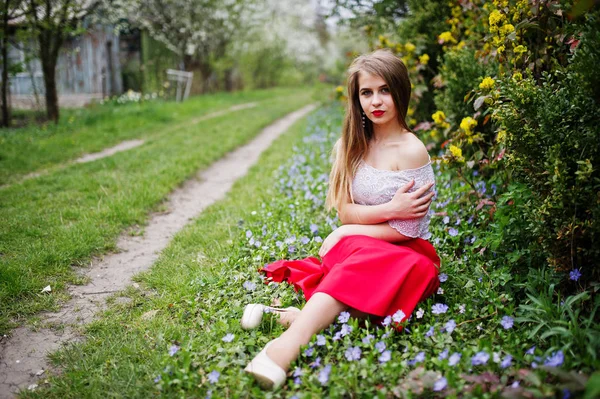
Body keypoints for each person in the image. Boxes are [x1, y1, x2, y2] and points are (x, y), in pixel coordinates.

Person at [243, 49, 441, 390]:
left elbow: (407, 228)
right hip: (357, 246)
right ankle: (289, 339)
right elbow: (345, 210)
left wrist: (353, 227)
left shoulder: (411, 150)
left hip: (407, 255)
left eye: (385, 90)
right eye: (367, 92)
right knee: (360, 268)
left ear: (401, 92)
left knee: (367, 272)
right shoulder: (352, 144)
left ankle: (287, 334)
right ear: (356, 97)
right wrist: (378, 214)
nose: (376, 101)